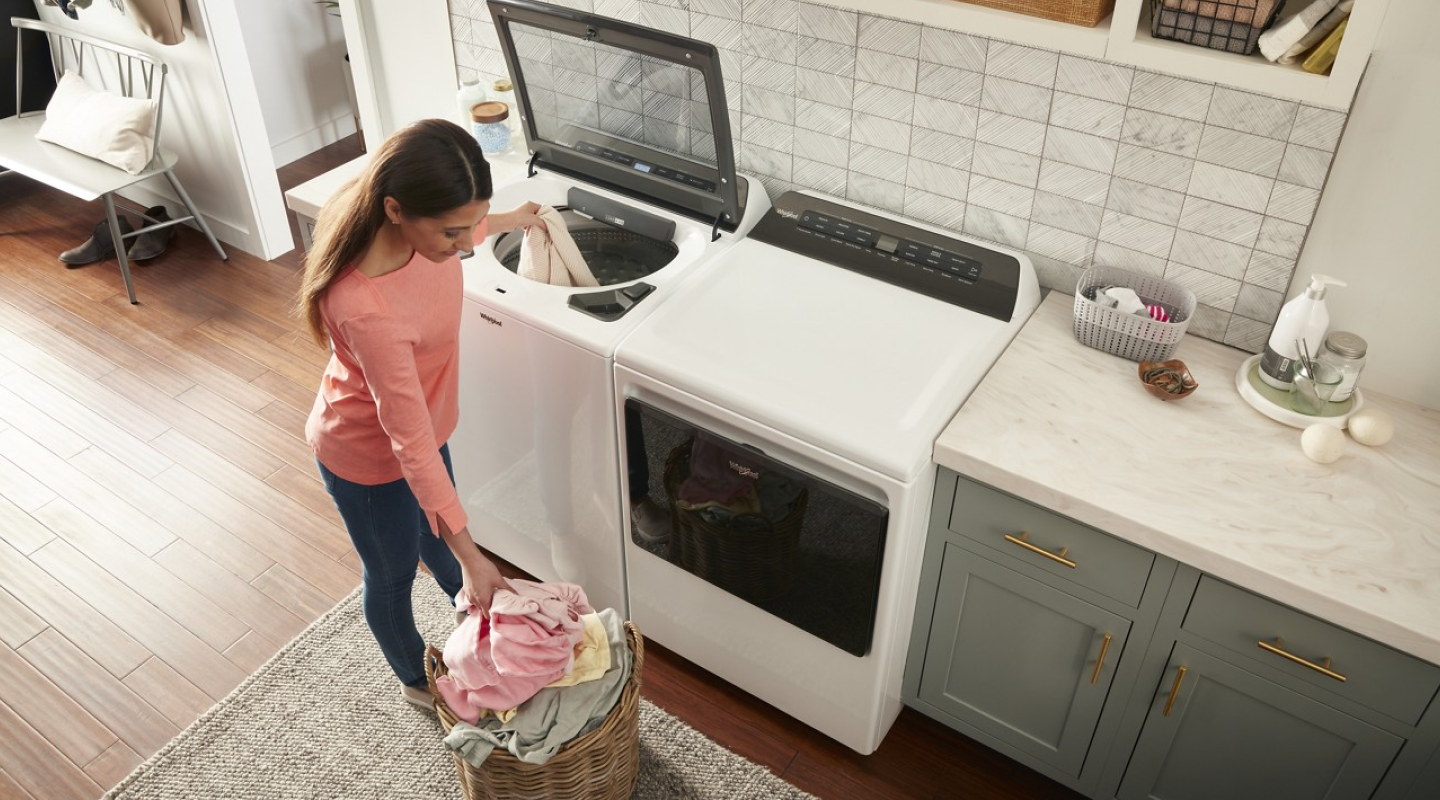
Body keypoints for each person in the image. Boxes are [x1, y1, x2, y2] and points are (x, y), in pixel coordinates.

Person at [296, 118, 545, 711]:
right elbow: (408, 444)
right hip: (367, 456)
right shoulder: (366, 306)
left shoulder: (418, 226)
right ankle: (416, 679)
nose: (468, 246)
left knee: (443, 538)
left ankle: (483, 634)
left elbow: (470, 222)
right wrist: (477, 554)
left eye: (472, 223)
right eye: (454, 233)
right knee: (394, 572)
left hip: (425, 432)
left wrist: (515, 217)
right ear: (396, 211)